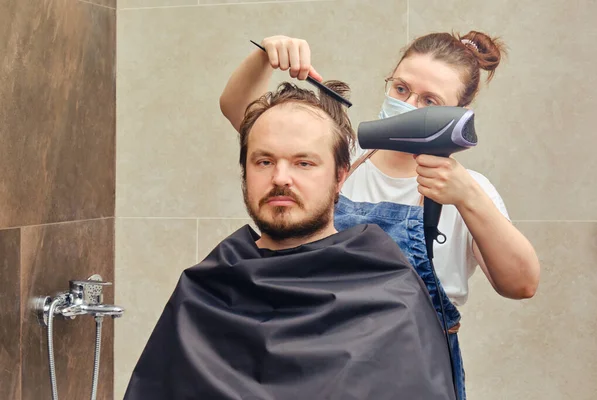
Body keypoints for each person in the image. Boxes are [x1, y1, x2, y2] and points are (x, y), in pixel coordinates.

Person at [219, 32, 541, 399]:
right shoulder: (341, 157)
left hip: (414, 374)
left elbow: (521, 284)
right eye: (401, 89)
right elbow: (238, 110)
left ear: (459, 115)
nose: (408, 105)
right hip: (316, 361)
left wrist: (469, 199)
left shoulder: (469, 190)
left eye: (429, 101)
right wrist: (266, 56)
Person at [124, 81, 457, 399]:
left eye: (303, 163)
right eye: (264, 161)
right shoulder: (203, 292)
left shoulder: (391, 297)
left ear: (340, 176)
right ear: (245, 172)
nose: (280, 178)